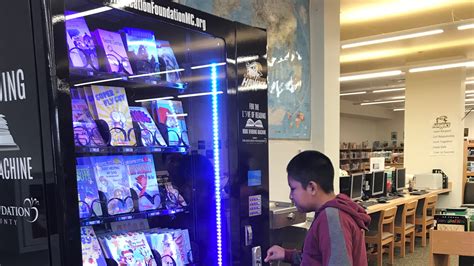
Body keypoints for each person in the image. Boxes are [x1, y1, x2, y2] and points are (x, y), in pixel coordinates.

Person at [265, 150, 371, 266]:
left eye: (293, 188)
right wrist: (286, 254)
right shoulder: (330, 211)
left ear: (312, 188)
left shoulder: (332, 218)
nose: (291, 196)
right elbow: (315, 258)